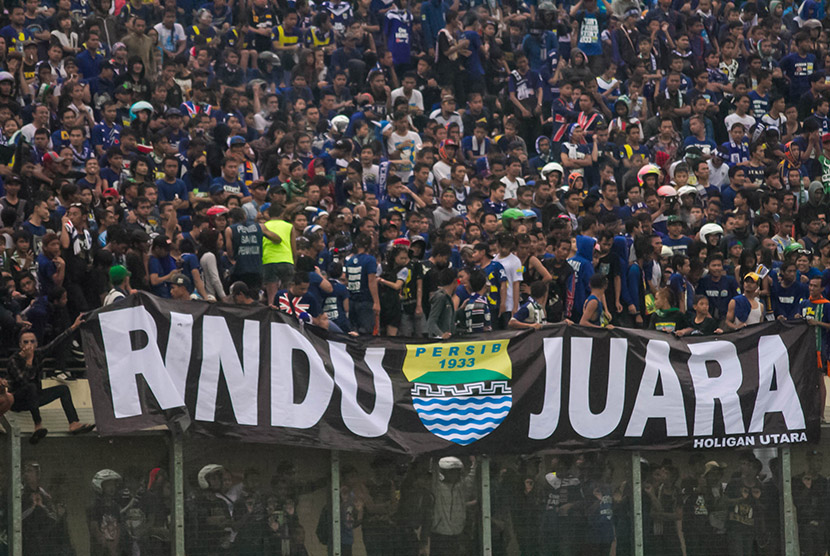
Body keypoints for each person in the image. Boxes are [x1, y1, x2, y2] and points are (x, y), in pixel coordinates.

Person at [8, 314, 95, 444]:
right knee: (30, 387)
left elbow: (56, 342)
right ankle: (38, 425)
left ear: (37, 343)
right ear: (20, 345)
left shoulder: (38, 354)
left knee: (63, 389)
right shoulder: (14, 360)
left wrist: (73, 327)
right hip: (18, 401)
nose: (29, 345)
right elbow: (24, 380)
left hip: (35, 398)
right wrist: (29, 360)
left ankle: (73, 423)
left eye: (32, 341)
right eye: (26, 342)